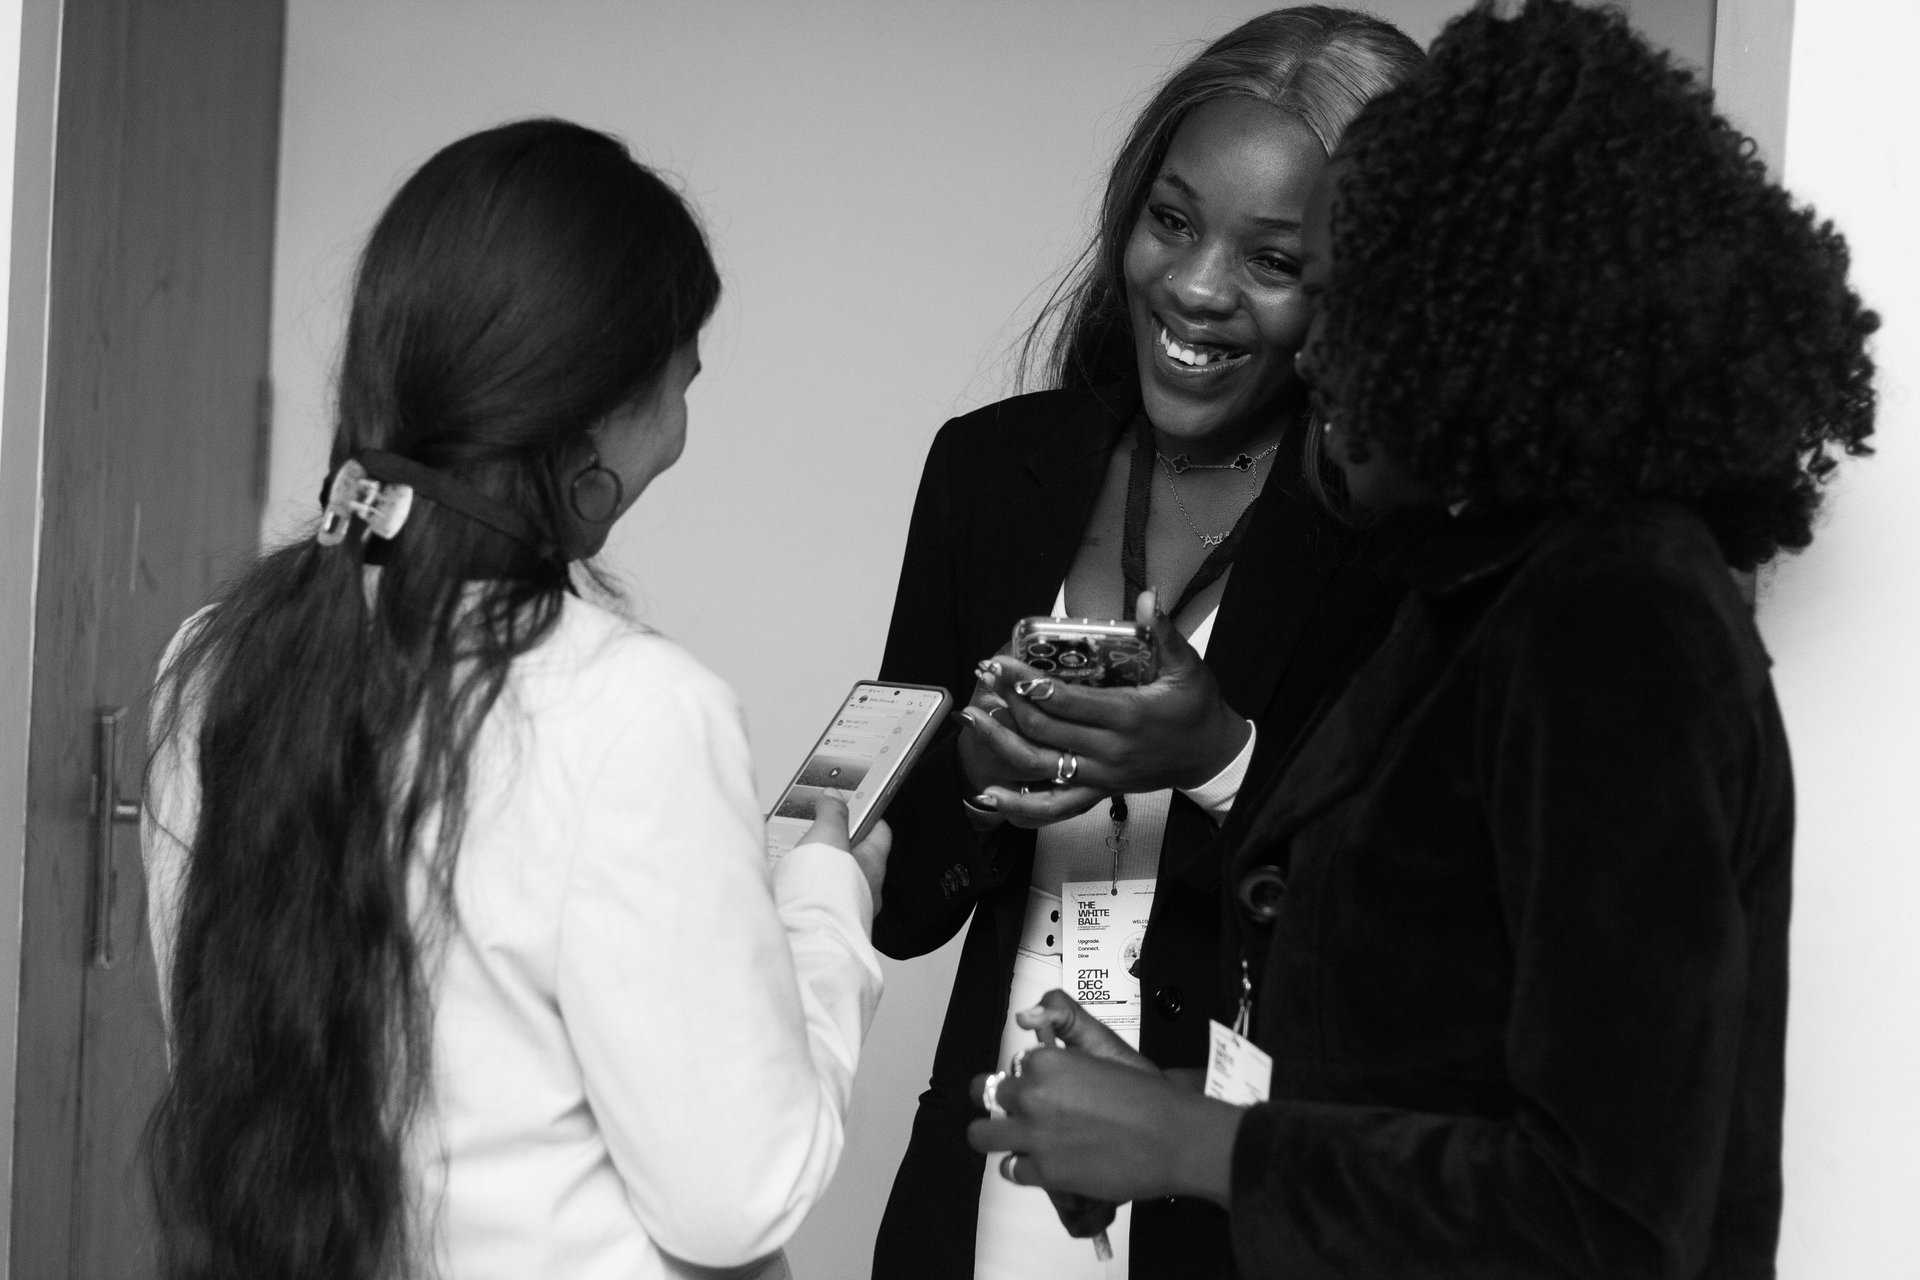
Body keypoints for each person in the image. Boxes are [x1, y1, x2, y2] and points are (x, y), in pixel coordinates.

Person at [965, 3, 1879, 1277]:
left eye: (1340, 296)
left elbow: (1609, 1219)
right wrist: (1177, 1116)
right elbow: (1430, 1069)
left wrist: (1199, 1146)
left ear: (1483, 323)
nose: (1316, 355)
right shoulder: (1482, 588)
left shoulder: (1623, 626)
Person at [141, 119, 888, 1280]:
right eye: (679, 385)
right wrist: (827, 902)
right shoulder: (633, 709)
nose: (679, 434)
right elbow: (736, 1200)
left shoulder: (216, 662)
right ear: (592, 418)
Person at [869, 10, 1425, 1278]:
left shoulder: (1401, 529)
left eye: (1274, 258)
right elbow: (898, 907)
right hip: (986, 1189)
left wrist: (1222, 757)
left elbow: (1422, 925)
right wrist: (975, 783)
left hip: (1240, 1214)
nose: (1196, 285)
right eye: (1173, 220)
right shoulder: (989, 471)